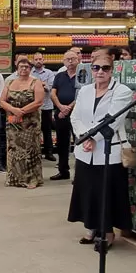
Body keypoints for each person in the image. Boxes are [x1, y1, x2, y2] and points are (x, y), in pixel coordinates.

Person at [67, 48, 133, 251]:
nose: (100, 72)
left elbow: (112, 119)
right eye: (96, 68)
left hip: (109, 151)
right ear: (91, 69)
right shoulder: (85, 90)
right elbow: (75, 117)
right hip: (86, 151)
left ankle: (108, 232)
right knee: (88, 191)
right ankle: (91, 227)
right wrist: (84, 137)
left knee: (107, 193)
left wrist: (92, 137)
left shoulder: (122, 91)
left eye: (105, 68)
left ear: (112, 70)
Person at [0, 57, 45, 189]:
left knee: (31, 150)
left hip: (30, 123)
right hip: (13, 123)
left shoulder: (36, 82)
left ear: (30, 69)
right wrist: (13, 110)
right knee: (13, 150)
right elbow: (2, 101)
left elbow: (39, 101)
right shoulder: (10, 82)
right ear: (17, 69)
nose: (24, 69)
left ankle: (32, 179)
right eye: (21, 67)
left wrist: (22, 111)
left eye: (26, 67)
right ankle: (14, 178)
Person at [50, 51, 82, 181]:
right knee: (62, 143)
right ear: (63, 61)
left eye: (72, 59)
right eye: (67, 59)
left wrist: (69, 107)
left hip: (78, 113)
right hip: (61, 114)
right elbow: (53, 93)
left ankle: (79, 174)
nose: (70, 61)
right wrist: (61, 107)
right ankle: (63, 171)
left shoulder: (83, 75)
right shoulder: (59, 76)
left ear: (78, 60)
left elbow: (83, 93)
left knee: (79, 143)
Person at [30, 52, 56, 161]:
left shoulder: (49, 73)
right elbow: (30, 88)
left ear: (43, 60)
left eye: (40, 59)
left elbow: (50, 87)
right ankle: (36, 153)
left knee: (47, 130)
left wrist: (40, 85)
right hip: (33, 107)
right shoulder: (30, 73)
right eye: (36, 59)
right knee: (33, 131)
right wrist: (42, 84)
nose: (38, 61)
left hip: (46, 106)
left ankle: (49, 152)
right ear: (33, 61)